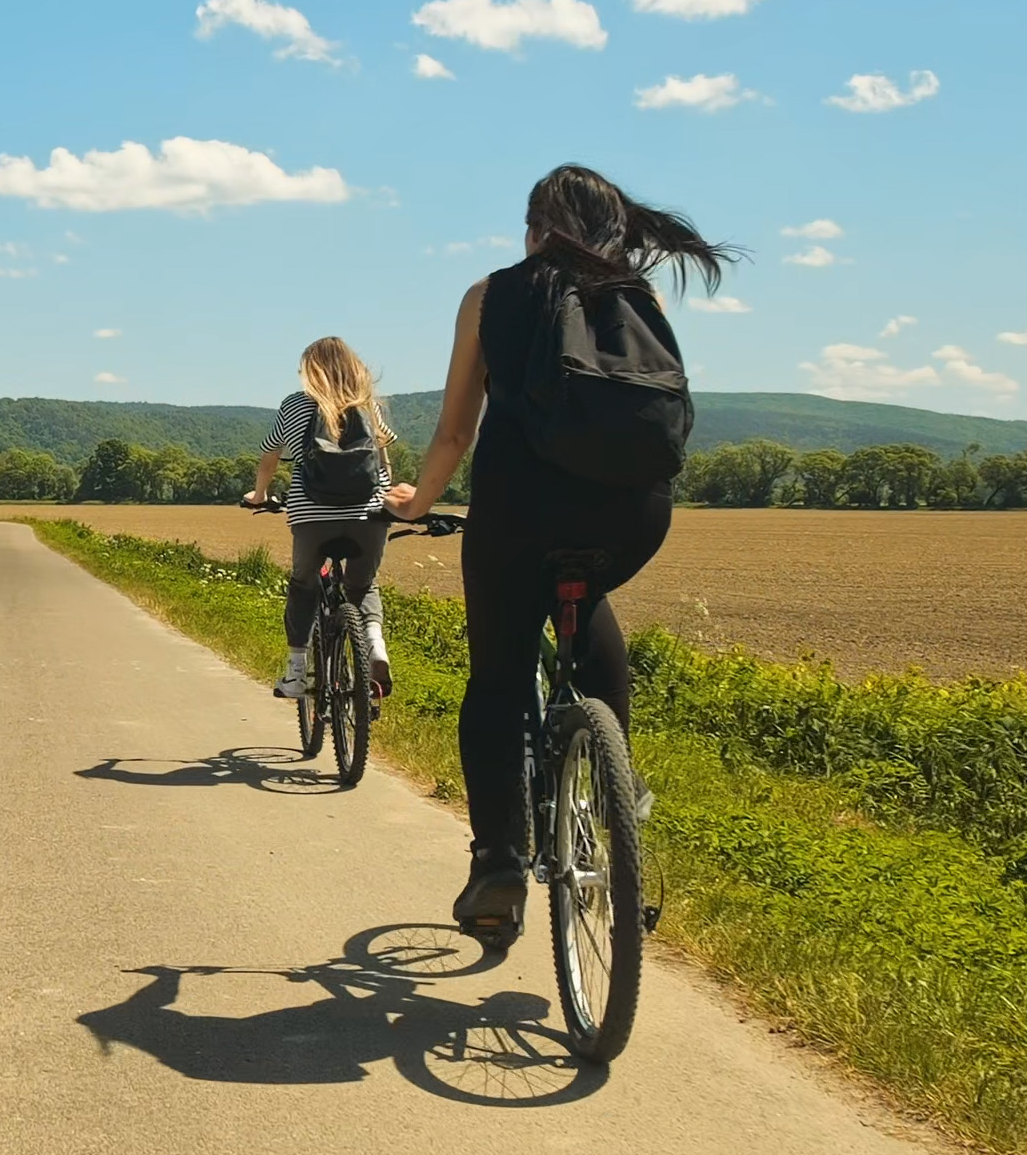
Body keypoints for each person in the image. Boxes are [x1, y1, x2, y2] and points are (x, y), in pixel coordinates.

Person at [387, 164, 728, 939]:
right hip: (633, 514)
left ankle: (497, 864)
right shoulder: (641, 296)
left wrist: (415, 502)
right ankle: (616, 806)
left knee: (497, 678)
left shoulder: (488, 296)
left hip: (518, 510)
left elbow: (455, 431)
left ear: (535, 227)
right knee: (587, 597)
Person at [243, 337, 396, 700]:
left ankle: (296, 672)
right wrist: (388, 499)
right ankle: (375, 645)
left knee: (303, 584)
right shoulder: (367, 404)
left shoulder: (295, 405)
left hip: (312, 515)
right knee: (363, 585)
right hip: (368, 514)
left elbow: (270, 456)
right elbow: (383, 460)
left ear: (309, 371)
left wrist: (259, 495)